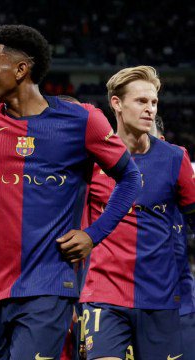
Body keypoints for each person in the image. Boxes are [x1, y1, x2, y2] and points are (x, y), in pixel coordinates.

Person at [0, 24, 141, 359]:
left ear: (21, 69)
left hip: (48, 285)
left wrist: (93, 235)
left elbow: (130, 179)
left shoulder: (81, 119)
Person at [80, 66, 195, 359]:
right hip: (104, 295)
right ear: (116, 104)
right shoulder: (90, 160)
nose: (150, 109)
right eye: (141, 101)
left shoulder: (174, 157)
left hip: (160, 299)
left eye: (154, 102)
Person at [152, 115, 195, 360]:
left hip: (181, 307)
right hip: (129, 305)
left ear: (162, 141)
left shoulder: (182, 182)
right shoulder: (113, 186)